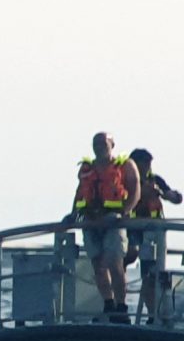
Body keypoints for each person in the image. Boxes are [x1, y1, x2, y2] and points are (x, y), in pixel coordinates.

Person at [64, 131, 140, 321]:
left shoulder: (125, 165)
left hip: (113, 220)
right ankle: (108, 303)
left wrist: (124, 213)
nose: (99, 147)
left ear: (112, 145)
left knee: (114, 262)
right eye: (95, 143)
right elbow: (80, 192)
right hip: (90, 220)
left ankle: (121, 306)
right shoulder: (87, 169)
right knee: (97, 264)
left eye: (103, 143)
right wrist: (73, 213)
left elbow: (135, 191)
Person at [128, 147, 178, 324]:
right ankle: (117, 303)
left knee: (150, 275)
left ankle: (152, 314)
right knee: (126, 258)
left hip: (152, 234)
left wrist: (166, 194)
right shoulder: (125, 181)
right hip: (132, 230)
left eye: (149, 164)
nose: (147, 167)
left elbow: (175, 197)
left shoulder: (155, 180)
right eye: (144, 163)